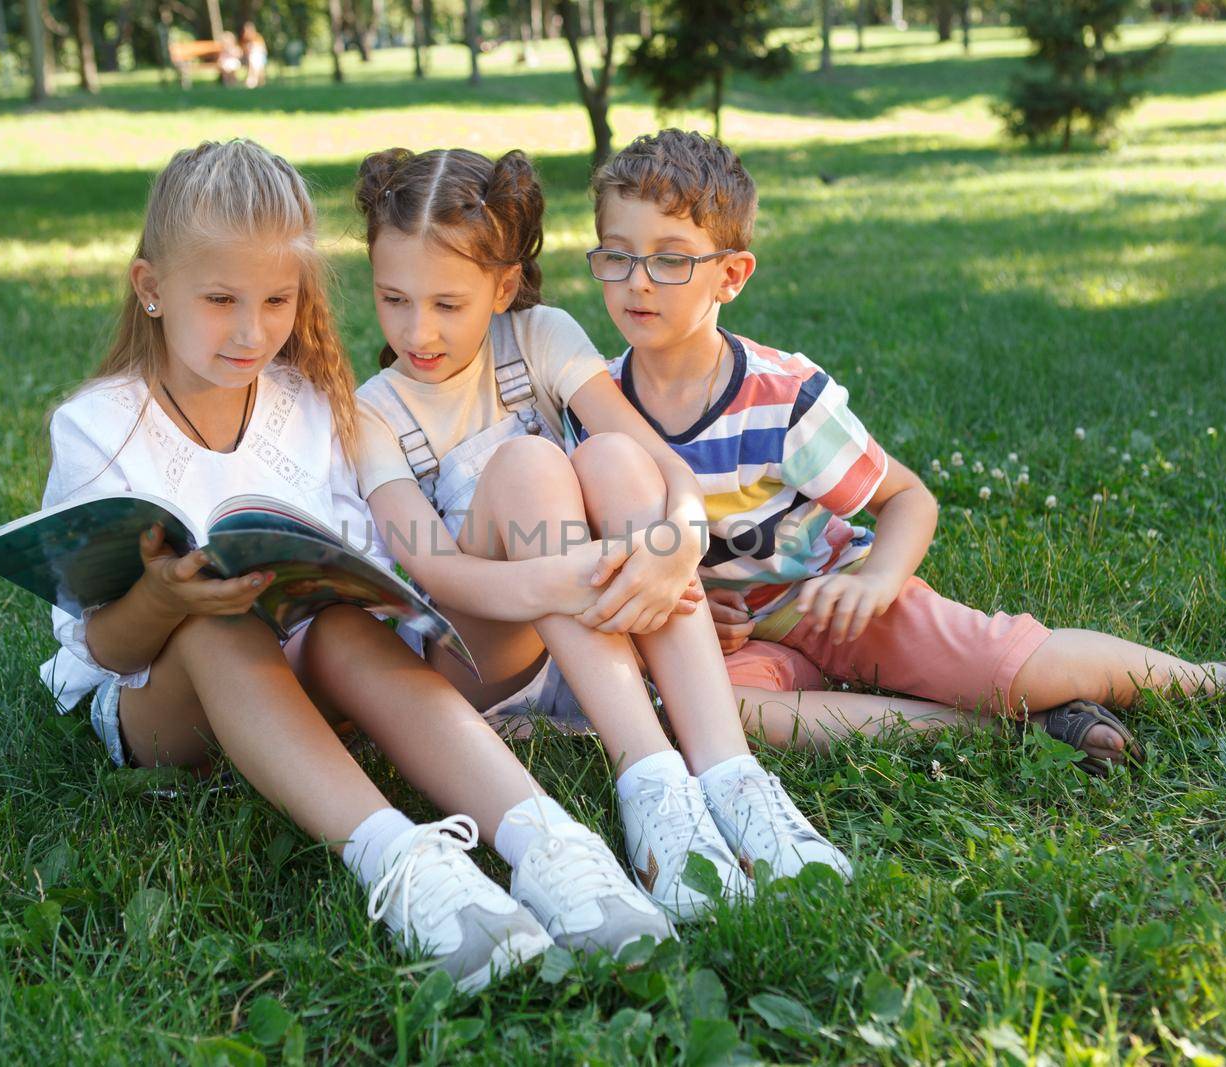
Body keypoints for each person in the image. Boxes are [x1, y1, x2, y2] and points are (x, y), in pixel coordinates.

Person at [37, 139, 671, 993]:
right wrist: (160, 593)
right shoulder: (97, 426)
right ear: (151, 288)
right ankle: (407, 868)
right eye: (220, 298)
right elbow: (106, 650)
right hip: (170, 708)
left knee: (337, 622)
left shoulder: (308, 402)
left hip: (312, 672)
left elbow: (359, 565)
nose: (251, 330)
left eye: (276, 299)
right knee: (218, 620)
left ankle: (548, 844)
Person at [577, 128, 1226, 770]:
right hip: (742, 643)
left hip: (839, 596)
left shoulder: (780, 396)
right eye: (616, 254)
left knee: (1015, 668)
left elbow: (907, 499)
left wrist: (880, 580)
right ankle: (999, 733)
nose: (637, 281)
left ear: (731, 275)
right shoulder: (594, 406)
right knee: (724, 717)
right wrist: (689, 605)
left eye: (671, 258)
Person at [351, 146, 851, 923]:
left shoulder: (541, 335)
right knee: (527, 464)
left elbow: (662, 468)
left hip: (589, 627)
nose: (418, 329)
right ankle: (649, 782)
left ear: (504, 286)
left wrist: (677, 543)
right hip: (482, 650)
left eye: (448, 304)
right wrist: (563, 578)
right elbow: (434, 570)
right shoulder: (374, 410)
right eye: (393, 299)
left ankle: (730, 775)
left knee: (613, 454)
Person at [240, 22, 267, 88]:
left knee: (254, 60)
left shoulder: (258, 37)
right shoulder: (245, 39)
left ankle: (253, 80)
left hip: (259, 57)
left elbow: (263, 49)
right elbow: (243, 51)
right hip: (249, 58)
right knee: (252, 60)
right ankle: (252, 80)